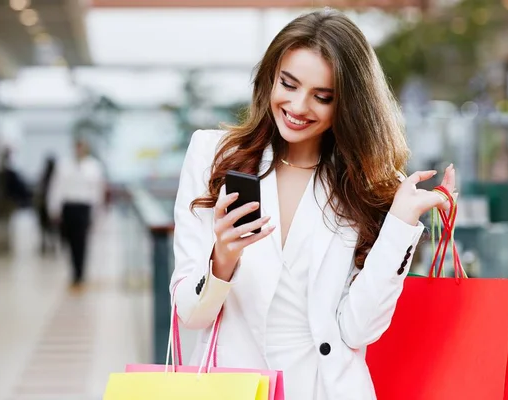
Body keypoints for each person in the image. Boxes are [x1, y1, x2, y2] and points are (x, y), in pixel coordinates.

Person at [171, 9, 457, 400]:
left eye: (322, 97)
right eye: (288, 84)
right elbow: (190, 313)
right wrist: (222, 258)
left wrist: (401, 221)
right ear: (270, 76)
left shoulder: (366, 185)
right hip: (233, 386)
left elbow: (358, 330)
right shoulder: (212, 156)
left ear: (349, 106)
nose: (299, 106)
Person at [48, 139, 106, 289]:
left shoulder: (93, 166)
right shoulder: (64, 165)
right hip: (68, 207)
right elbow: (57, 187)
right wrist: (54, 208)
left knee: (81, 241)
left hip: (84, 207)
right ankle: (74, 270)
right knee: (70, 241)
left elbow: (97, 190)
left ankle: (79, 274)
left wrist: (97, 211)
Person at [35, 155, 57, 255]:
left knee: (46, 226)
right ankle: (49, 244)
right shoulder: (51, 178)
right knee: (50, 227)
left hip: (46, 206)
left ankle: (46, 243)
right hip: (46, 206)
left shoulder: (47, 177)